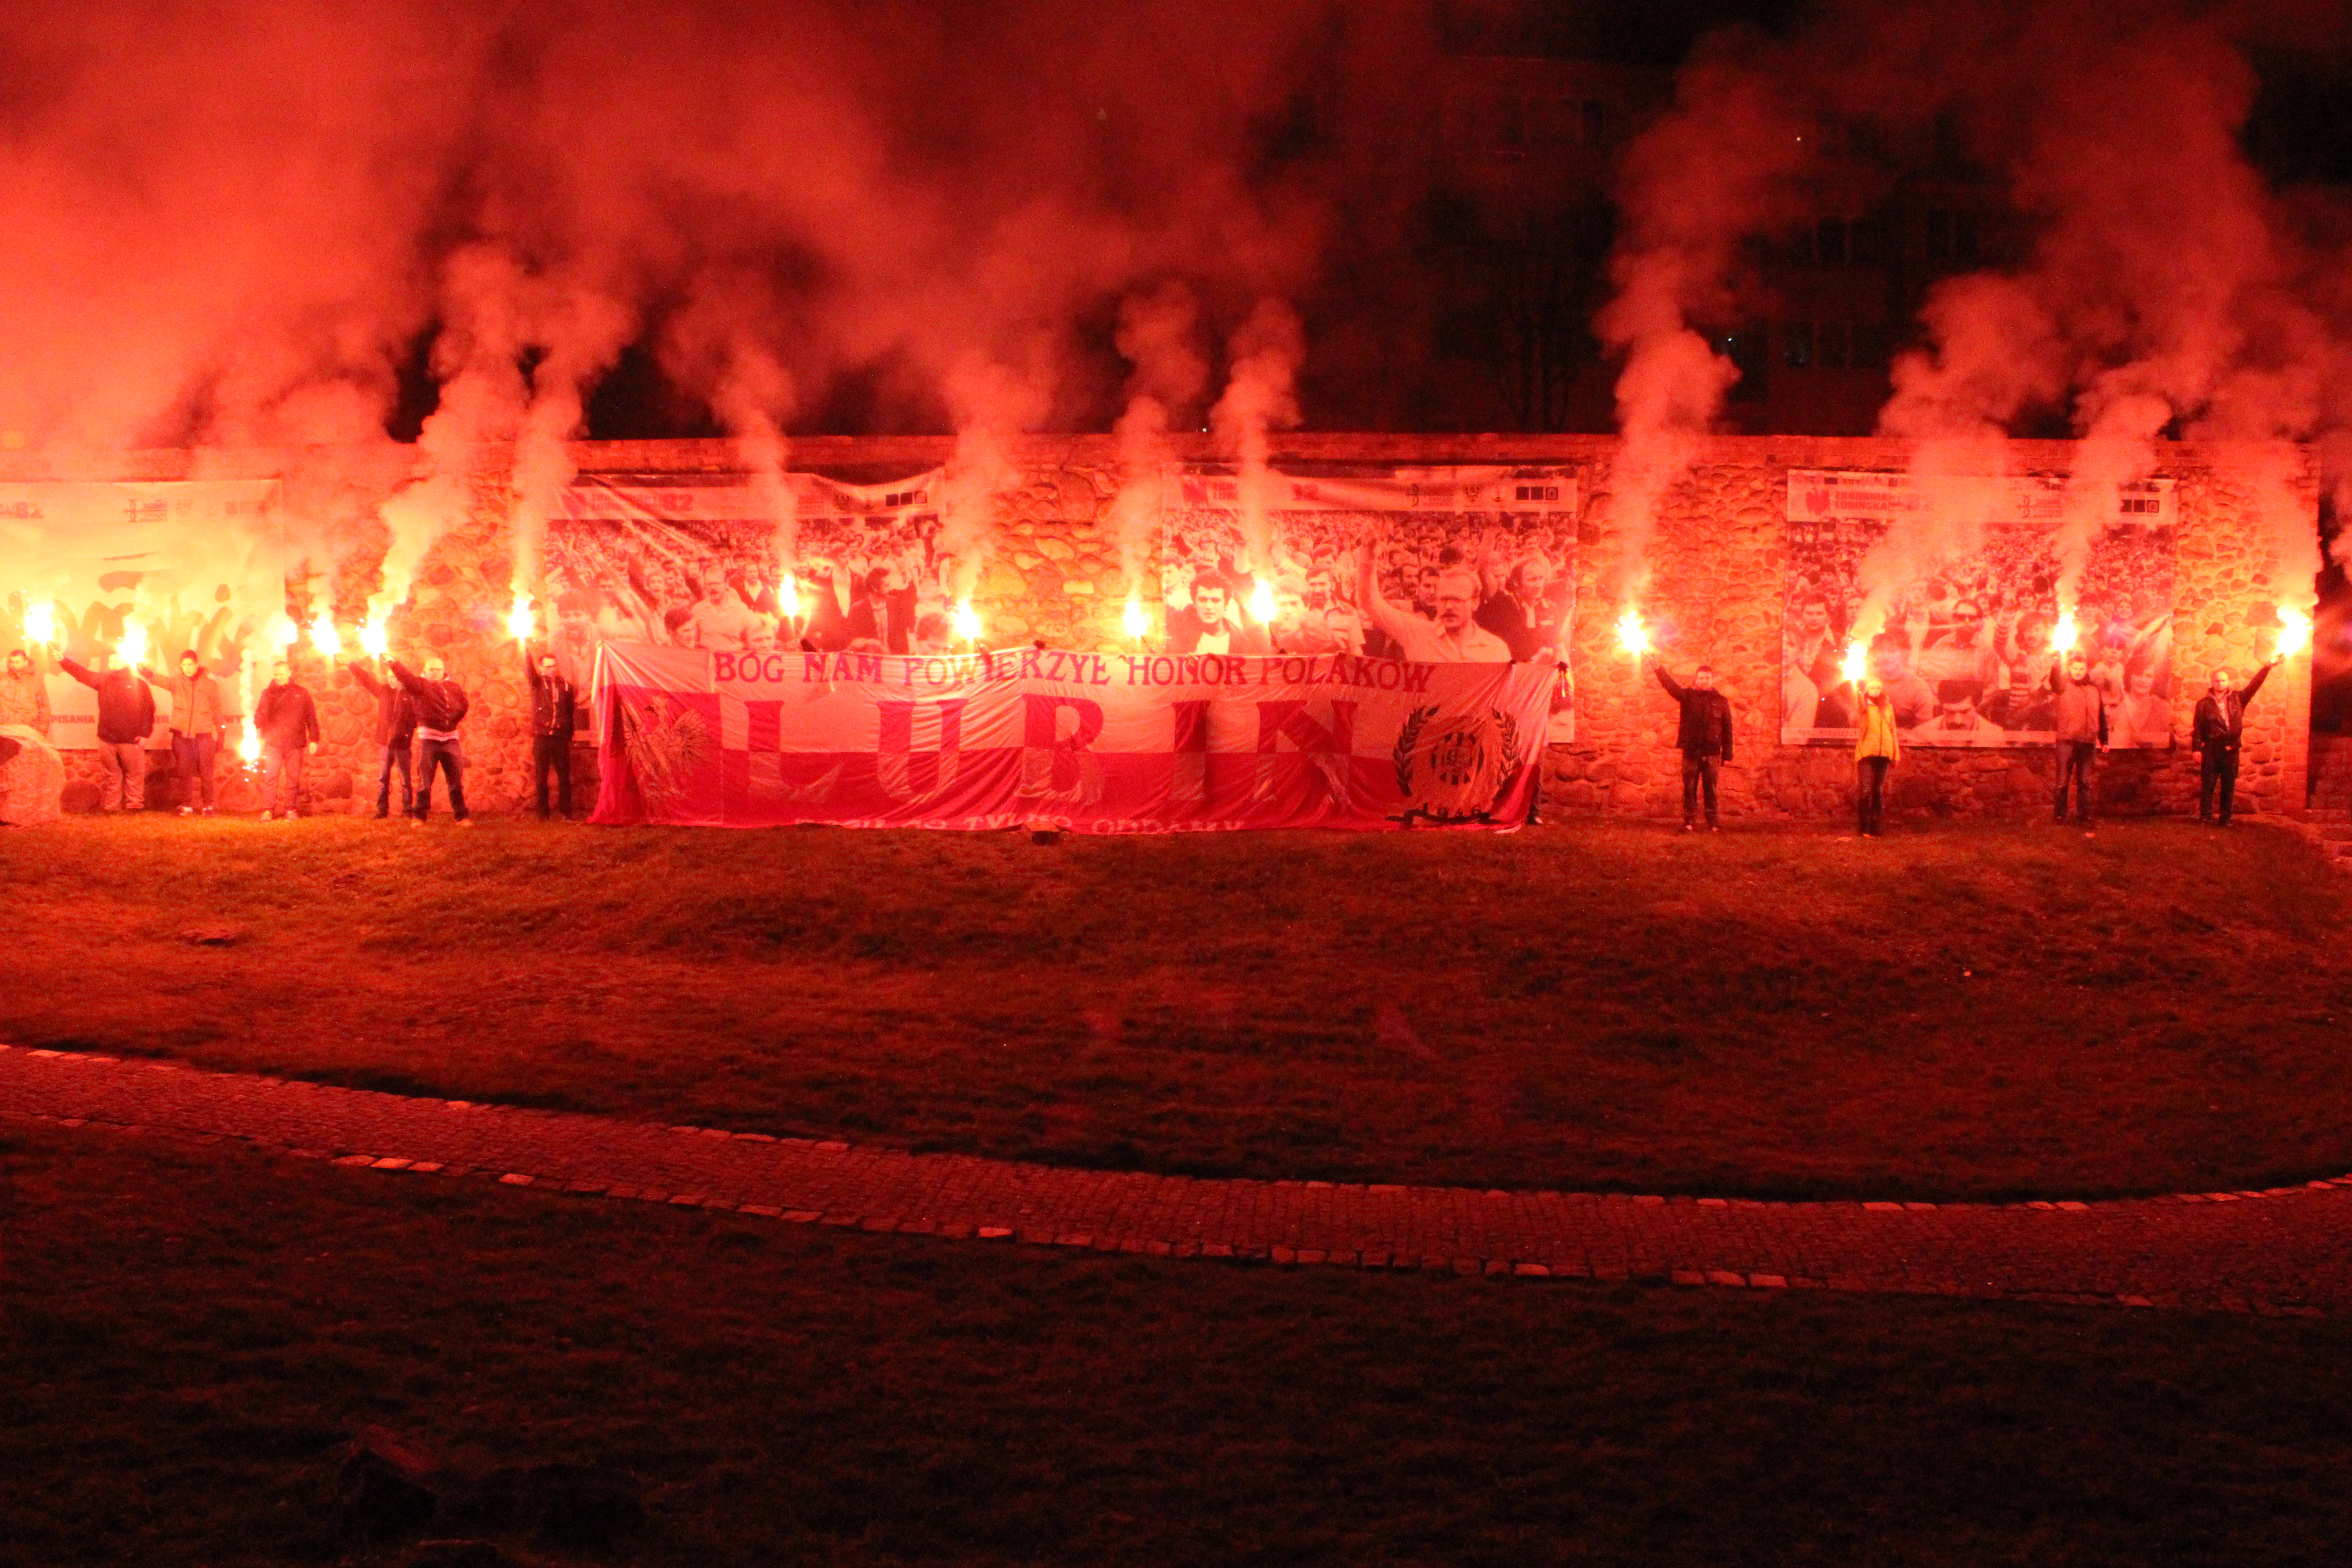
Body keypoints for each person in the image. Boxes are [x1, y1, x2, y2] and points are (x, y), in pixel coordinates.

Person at [1355, 540, 1509, 662]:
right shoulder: (1417, 633)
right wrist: (1368, 558)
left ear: (1475, 603)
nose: (1449, 606)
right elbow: (1371, 604)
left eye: (1457, 600)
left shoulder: (1496, 650)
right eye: (1443, 600)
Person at [58, 650, 155, 811]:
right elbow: (82, 674)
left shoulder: (140, 684)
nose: (114, 662)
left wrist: (145, 734)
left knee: (134, 775)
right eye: (111, 660)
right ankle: (112, 808)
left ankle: (135, 806)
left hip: (131, 740)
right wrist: (63, 661)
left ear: (127, 661)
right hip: (106, 738)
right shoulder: (103, 680)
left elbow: (148, 711)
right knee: (111, 775)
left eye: (117, 660)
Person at [2191, 656, 2281, 826]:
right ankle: (2206, 817)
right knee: (2208, 785)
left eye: (2223, 680)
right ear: (2212, 683)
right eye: (2217, 681)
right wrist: (2197, 749)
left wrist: (2267, 667)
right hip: (2211, 749)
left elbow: (2254, 686)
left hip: (2232, 749)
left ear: (2228, 682)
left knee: (2228, 786)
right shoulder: (2203, 704)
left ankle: (2225, 818)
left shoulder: (2239, 699)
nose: (2220, 684)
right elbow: (2198, 728)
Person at [1651, 659, 1734, 832]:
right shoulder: (1687, 696)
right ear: (1696, 680)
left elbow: (1727, 728)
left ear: (1713, 680)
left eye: (1708, 678)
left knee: (1711, 790)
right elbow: (1671, 686)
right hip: (1691, 753)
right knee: (1690, 789)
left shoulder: (1722, 701)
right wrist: (1659, 669)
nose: (1705, 681)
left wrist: (1727, 753)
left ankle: (1713, 824)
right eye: (1702, 678)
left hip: (1712, 754)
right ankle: (1689, 822)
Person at [140, 650, 225, 815]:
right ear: (181, 666)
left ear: (197, 665)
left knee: (207, 773)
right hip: (182, 737)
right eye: (184, 665)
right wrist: (148, 674)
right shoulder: (176, 682)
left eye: (190, 665)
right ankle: (187, 805)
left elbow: (217, 710)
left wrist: (222, 734)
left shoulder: (209, 685)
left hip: (204, 736)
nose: (187, 668)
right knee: (185, 772)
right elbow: (159, 680)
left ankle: (208, 806)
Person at [391, 655, 472, 826]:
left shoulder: (454, 687)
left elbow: (464, 706)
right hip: (428, 740)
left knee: (456, 780)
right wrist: (394, 663)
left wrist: (452, 721)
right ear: (425, 671)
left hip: (451, 740)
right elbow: (406, 677)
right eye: (432, 669)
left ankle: (462, 816)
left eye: (438, 669)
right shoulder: (419, 686)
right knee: (425, 782)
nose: (435, 672)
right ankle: (419, 817)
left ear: (443, 671)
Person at [348, 654, 418, 820]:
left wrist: (408, 732)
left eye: (394, 677)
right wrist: (351, 664)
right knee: (383, 778)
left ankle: (408, 810)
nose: (392, 680)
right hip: (384, 743)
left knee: (405, 779)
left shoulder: (410, 694)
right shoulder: (383, 691)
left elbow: (416, 717)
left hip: (402, 743)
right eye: (389, 677)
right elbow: (366, 679)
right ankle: (382, 811)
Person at [252, 657, 319, 820]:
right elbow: (259, 717)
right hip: (274, 743)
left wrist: (314, 739)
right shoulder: (267, 694)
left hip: (295, 743)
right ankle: (268, 809)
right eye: (276, 674)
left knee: (293, 779)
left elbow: (311, 717)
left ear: (289, 673)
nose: (278, 677)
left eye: (282, 674)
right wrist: (261, 722)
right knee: (271, 778)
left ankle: (290, 809)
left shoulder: (301, 693)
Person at [2048, 652, 2108, 830]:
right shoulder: (2064, 686)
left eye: (2082, 669)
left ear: (2087, 670)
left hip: (2088, 743)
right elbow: (2055, 682)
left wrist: (2104, 740)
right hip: (2067, 741)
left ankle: (2085, 816)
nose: (2078, 672)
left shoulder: (2094, 690)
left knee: (2085, 782)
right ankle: (2060, 816)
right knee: (2063, 782)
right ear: (2070, 669)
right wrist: (2055, 666)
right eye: (2075, 669)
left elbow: (2101, 716)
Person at [525, 644, 578, 821]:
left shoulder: (565, 686)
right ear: (541, 668)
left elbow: (570, 712)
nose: (551, 670)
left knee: (564, 777)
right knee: (541, 778)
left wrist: (568, 734)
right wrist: (524, 644)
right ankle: (543, 813)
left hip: (560, 738)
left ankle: (566, 812)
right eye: (547, 667)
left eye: (553, 666)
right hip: (542, 738)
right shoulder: (537, 683)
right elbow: (528, 668)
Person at [1167, 573, 1268, 656]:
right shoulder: (1182, 633)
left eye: (1216, 601)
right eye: (1203, 600)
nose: (1209, 606)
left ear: (1226, 605)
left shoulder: (1241, 641)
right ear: (1195, 603)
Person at [1852, 675, 1901, 838]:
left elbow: (1892, 731)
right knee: (1865, 791)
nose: (1876, 691)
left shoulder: (1888, 707)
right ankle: (1863, 827)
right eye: (1872, 688)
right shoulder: (1864, 706)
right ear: (1867, 691)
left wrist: (1895, 755)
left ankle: (1875, 827)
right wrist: (1857, 689)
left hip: (1884, 754)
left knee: (1878, 792)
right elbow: (1857, 702)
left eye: (1879, 688)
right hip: (1867, 753)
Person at [0, 647, 52, 737]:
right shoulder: (3, 681)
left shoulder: (35, 681)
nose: (14, 665)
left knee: (27, 752)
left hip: (29, 730)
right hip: (6, 730)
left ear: (25, 662)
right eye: (12, 662)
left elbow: (44, 707)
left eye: (18, 662)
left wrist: (43, 731)